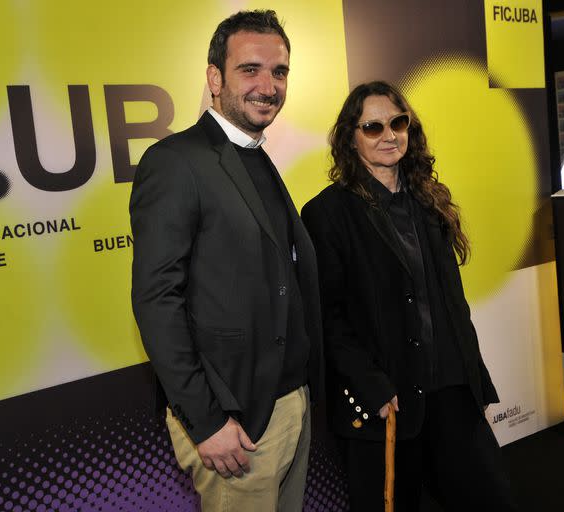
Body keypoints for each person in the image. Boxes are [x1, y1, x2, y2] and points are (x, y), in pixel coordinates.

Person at [129, 10, 322, 511]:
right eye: (250, 69)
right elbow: (157, 300)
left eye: (279, 72)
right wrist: (207, 422)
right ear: (215, 78)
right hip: (234, 421)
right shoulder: (176, 161)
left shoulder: (253, 154)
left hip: (288, 404)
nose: (269, 85)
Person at [301, 81, 518, 511]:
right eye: (373, 126)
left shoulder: (429, 200)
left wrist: (479, 387)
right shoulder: (328, 213)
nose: (389, 135)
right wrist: (370, 385)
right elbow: (328, 315)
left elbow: (453, 308)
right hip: (387, 400)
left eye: (398, 123)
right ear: (351, 137)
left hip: (451, 391)